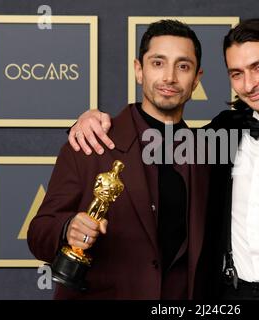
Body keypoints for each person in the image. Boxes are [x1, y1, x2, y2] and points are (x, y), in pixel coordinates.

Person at [67, 19, 259, 300]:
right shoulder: (224, 130)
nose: (249, 84)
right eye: (237, 73)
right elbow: (154, 139)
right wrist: (90, 120)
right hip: (222, 298)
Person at [27, 19, 211, 299]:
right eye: (158, 63)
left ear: (196, 79)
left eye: (183, 66)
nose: (170, 77)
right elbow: (38, 233)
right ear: (139, 70)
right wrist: (68, 228)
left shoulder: (209, 153)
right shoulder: (91, 141)